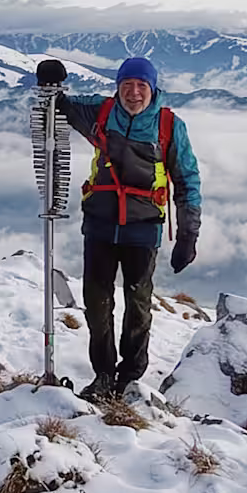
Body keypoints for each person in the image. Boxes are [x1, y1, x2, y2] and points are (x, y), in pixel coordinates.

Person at [53, 53, 200, 400]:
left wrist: (188, 234)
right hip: (100, 226)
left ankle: (129, 376)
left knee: (138, 305)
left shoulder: (168, 126)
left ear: (153, 88)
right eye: (127, 85)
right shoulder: (101, 113)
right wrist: (50, 83)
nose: (134, 92)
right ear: (118, 87)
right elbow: (62, 106)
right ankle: (103, 375)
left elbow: (187, 179)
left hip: (142, 228)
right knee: (97, 304)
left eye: (141, 85)